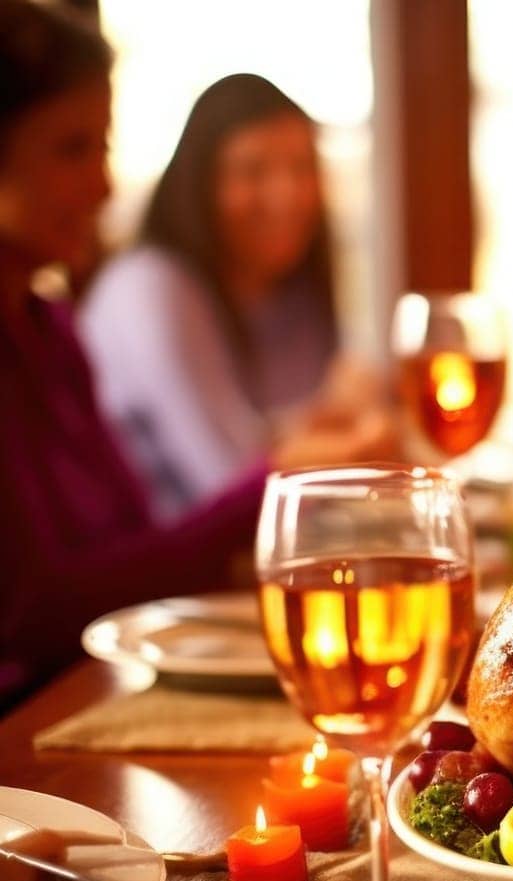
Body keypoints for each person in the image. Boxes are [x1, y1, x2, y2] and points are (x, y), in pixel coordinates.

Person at [0, 2, 387, 706]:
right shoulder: (149, 289)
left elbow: (138, 546)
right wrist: (283, 476)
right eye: (70, 149)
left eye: (104, 148)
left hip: (98, 687)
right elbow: (31, 609)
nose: (105, 186)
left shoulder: (49, 328)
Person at [80, 73, 380, 519]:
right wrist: (347, 441)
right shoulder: (150, 289)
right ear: (200, 184)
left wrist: (331, 430)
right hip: (160, 579)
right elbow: (230, 486)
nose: (287, 194)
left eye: (302, 168)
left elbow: (291, 439)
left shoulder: (294, 291)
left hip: (236, 571)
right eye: (254, 170)